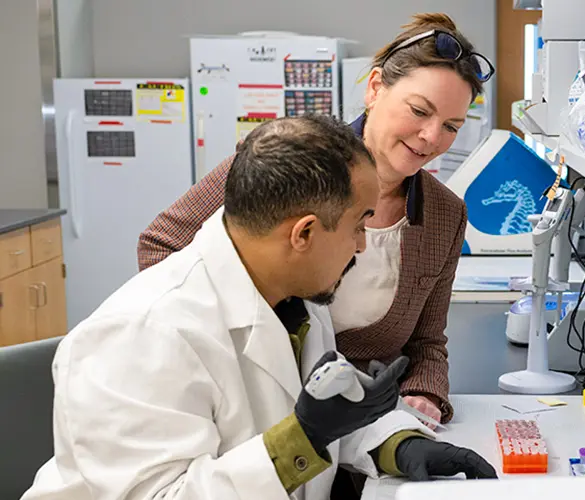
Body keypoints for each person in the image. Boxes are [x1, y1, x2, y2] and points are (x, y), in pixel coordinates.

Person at [22, 116, 495, 500]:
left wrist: (395, 442)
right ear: (303, 233)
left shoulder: (297, 302)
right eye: (358, 225)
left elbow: (320, 420)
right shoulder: (140, 333)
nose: (360, 247)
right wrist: (301, 439)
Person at [137, 13, 495, 428]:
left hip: (365, 430)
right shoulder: (288, 162)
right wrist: (235, 349)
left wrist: (425, 393)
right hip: (248, 411)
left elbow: (427, 342)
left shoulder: (444, 216)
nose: (432, 137)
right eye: (419, 111)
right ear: (376, 88)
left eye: (451, 126)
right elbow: (161, 247)